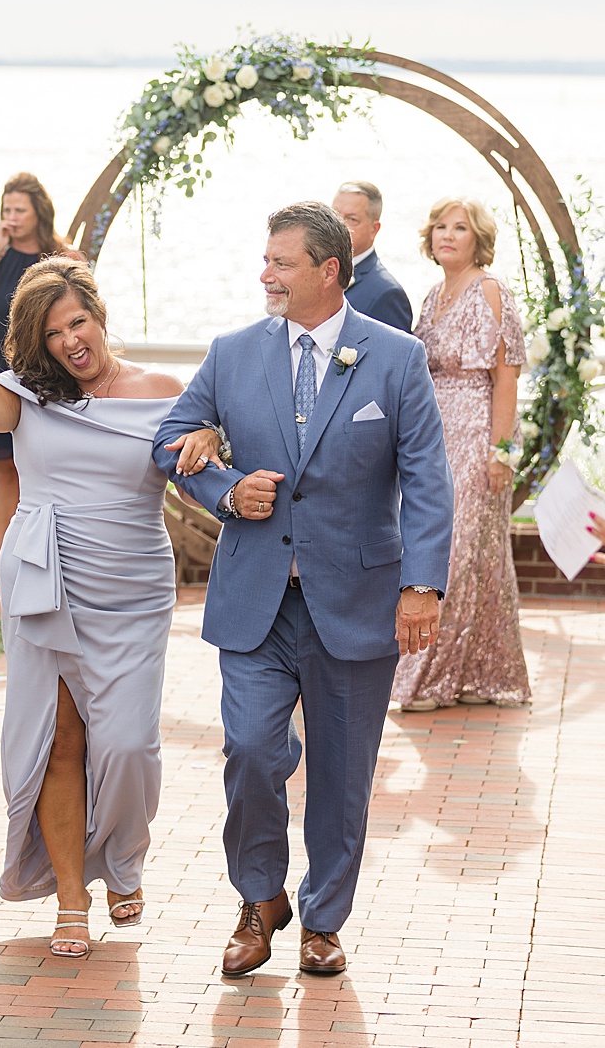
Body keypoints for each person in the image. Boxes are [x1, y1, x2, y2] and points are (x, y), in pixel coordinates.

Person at [152, 201, 453, 977]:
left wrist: (422, 585)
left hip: (356, 599)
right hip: (255, 597)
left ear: (328, 270)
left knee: (345, 774)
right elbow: (169, 439)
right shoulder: (231, 353)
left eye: (281, 263)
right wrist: (223, 486)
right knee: (251, 749)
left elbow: (425, 477)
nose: (266, 275)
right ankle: (258, 900)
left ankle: (324, 919)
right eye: (266, 260)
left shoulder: (395, 356)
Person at [0, 256, 222, 956]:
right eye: (53, 334)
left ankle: (121, 860)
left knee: (129, 744)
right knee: (59, 743)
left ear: (98, 311)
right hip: (45, 579)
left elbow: (192, 475)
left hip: (133, 588)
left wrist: (209, 439)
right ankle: (70, 898)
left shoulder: (162, 391)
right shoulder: (28, 394)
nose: (69, 342)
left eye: (76, 322)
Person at [392, 197, 530, 710]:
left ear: (479, 240)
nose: (447, 235)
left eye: (460, 228)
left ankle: (431, 677)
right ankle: (481, 674)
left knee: (460, 553)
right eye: (440, 227)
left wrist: (501, 452)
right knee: (476, 557)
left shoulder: (490, 291)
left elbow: (507, 379)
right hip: (435, 435)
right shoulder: (433, 296)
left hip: (476, 436)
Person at [0, 173, 83, 581]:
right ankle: (8, 567)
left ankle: (58, 563)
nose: (12, 216)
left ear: (39, 212)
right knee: (5, 469)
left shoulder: (63, 257)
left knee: (54, 467)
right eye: (6, 209)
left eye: (19, 210)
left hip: (50, 374)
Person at [333, 181, 413, 331]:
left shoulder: (387, 294)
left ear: (373, 229)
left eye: (351, 219)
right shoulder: (315, 272)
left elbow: (395, 353)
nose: (339, 226)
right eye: (334, 215)